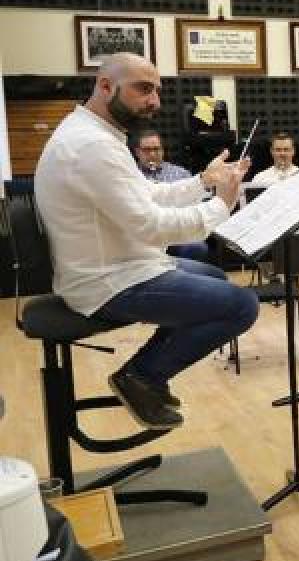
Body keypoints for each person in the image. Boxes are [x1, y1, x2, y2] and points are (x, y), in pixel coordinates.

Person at [33, 53, 258, 431]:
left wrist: (203, 181)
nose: (154, 100)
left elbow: (146, 195)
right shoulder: (92, 146)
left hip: (120, 265)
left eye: (156, 90)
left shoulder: (96, 133)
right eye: (143, 88)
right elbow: (151, 227)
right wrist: (222, 205)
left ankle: (144, 376)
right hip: (107, 282)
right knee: (241, 306)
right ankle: (142, 375)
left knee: (214, 280)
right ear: (105, 86)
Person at [133, 129, 213, 263]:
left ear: (163, 150)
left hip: (175, 232)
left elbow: (194, 204)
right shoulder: (131, 175)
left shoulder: (181, 174)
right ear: (137, 152)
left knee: (197, 247)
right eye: (146, 150)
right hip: (145, 234)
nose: (152, 154)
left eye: (156, 149)